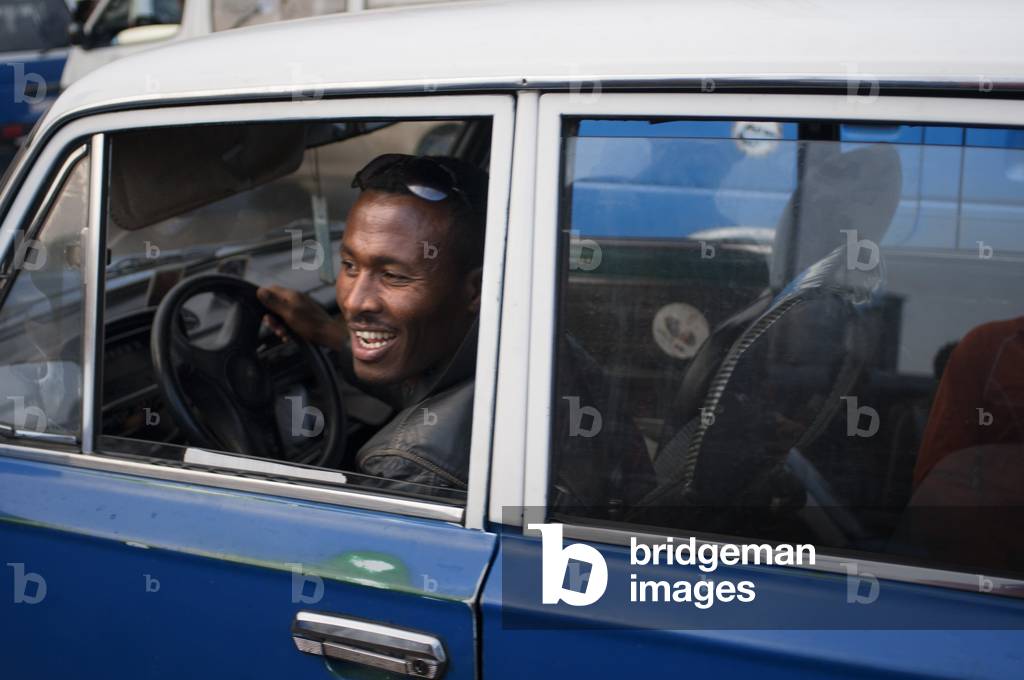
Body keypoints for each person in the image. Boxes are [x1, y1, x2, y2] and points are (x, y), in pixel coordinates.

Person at [257, 154, 487, 494]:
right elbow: (438, 391)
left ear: (476, 289)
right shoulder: (522, 346)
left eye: (393, 276)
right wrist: (330, 334)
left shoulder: (411, 467)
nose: (353, 302)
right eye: (350, 265)